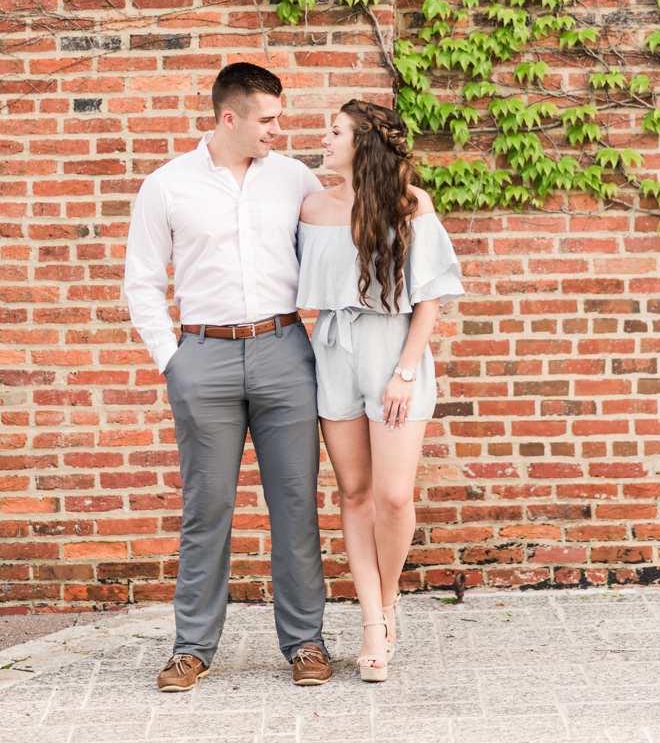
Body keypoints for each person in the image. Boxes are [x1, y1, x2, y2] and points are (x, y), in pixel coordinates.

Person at [124, 62, 332, 691]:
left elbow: (330, 256)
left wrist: (318, 340)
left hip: (283, 349)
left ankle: (305, 643)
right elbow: (141, 281)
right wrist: (173, 361)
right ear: (229, 118)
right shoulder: (166, 186)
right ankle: (192, 647)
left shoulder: (296, 178)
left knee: (295, 504)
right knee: (206, 508)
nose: (279, 128)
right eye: (268, 119)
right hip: (203, 359)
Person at [297, 100, 463, 681]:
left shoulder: (410, 204)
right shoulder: (312, 206)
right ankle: (372, 623)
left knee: (393, 497)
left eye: (335, 130)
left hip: (394, 352)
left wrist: (406, 370)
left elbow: (430, 299)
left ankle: (387, 601)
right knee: (355, 492)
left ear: (362, 142)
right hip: (334, 352)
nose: (324, 137)